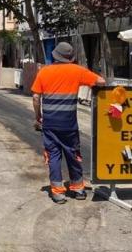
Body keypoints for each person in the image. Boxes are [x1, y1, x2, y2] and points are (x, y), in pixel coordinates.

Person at [31, 42, 105, 204]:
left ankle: (58, 192)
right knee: (73, 154)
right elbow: (101, 81)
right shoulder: (77, 70)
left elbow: (36, 97)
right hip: (69, 124)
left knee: (53, 156)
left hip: (50, 124)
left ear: (55, 56)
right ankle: (78, 189)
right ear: (70, 57)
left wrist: (38, 117)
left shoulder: (44, 72)